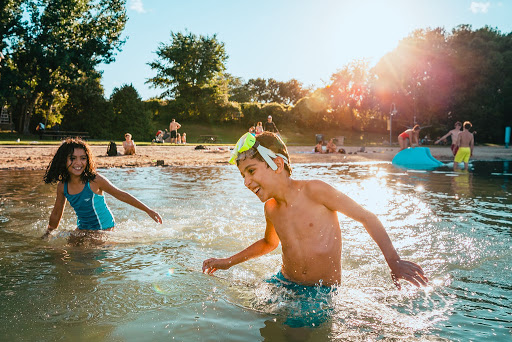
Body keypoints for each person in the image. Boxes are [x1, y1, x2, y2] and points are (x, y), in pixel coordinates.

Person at [203, 132, 428, 290]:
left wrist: (393, 261)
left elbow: (366, 217)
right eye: (243, 175)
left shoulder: (315, 191)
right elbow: (269, 243)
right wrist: (227, 262)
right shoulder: (270, 208)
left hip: (322, 291)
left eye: (251, 171)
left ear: (277, 165)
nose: (246, 182)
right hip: (284, 282)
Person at [41, 138, 162, 244]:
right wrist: (49, 232)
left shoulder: (95, 180)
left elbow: (121, 195)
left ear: (87, 160)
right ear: (64, 160)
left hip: (104, 228)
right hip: (83, 227)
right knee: (69, 246)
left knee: (89, 252)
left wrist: (148, 210)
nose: (78, 163)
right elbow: (56, 213)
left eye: (83, 158)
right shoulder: (62, 186)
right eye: (72, 158)